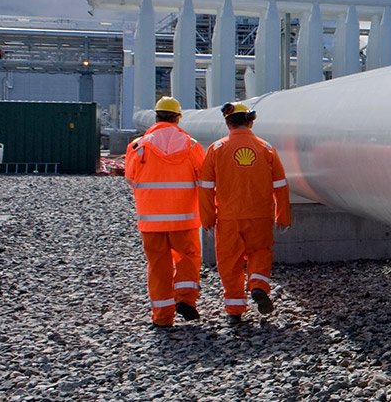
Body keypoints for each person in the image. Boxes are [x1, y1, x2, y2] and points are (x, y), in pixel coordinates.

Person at [198, 102, 292, 325]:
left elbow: (205, 187)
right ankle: (258, 285)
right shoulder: (265, 148)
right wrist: (282, 215)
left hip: (228, 217)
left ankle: (234, 309)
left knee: (229, 262)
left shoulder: (216, 149)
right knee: (260, 252)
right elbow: (281, 184)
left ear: (228, 123)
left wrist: (207, 219)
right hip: (259, 215)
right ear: (250, 121)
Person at [125, 96, 206, 327]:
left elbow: (131, 178)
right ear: (178, 117)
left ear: (156, 116)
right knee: (188, 258)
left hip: (150, 221)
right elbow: (204, 177)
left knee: (158, 266)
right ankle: (185, 300)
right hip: (184, 217)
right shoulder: (190, 145)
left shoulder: (137, 146)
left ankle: (162, 317)